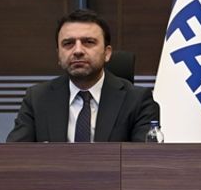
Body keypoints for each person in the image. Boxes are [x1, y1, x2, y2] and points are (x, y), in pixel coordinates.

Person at [8, 9, 160, 143]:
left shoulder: (138, 101)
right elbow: (14, 156)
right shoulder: (37, 98)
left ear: (107, 53)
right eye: (68, 43)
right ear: (59, 55)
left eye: (88, 42)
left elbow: (145, 160)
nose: (78, 51)